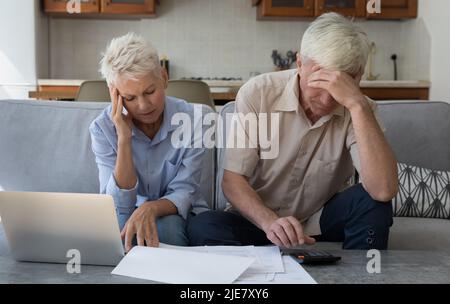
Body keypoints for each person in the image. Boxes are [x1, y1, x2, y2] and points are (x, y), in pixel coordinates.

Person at [188, 13, 398, 250]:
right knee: (203, 226)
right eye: (319, 81)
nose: (328, 99)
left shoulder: (360, 108)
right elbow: (232, 181)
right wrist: (270, 222)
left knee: (373, 203)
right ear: (299, 64)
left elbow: (383, 189)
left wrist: (357, 105)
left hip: (320, 221)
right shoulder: (259, 93)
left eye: (340, 84)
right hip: (257, 222)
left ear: (358, 76)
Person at [89, 33, 208, 251]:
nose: (143, 106)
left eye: (150, 92)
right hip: (127, 212)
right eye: (130, 98)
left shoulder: (194, 120)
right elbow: (117, 205)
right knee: (113, 232)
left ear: (163, 77)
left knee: (168, 229)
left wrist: (150, 208)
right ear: (114, 94)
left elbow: (185, 190)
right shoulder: (102, 129)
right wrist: (124, 138)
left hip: (179, 213)